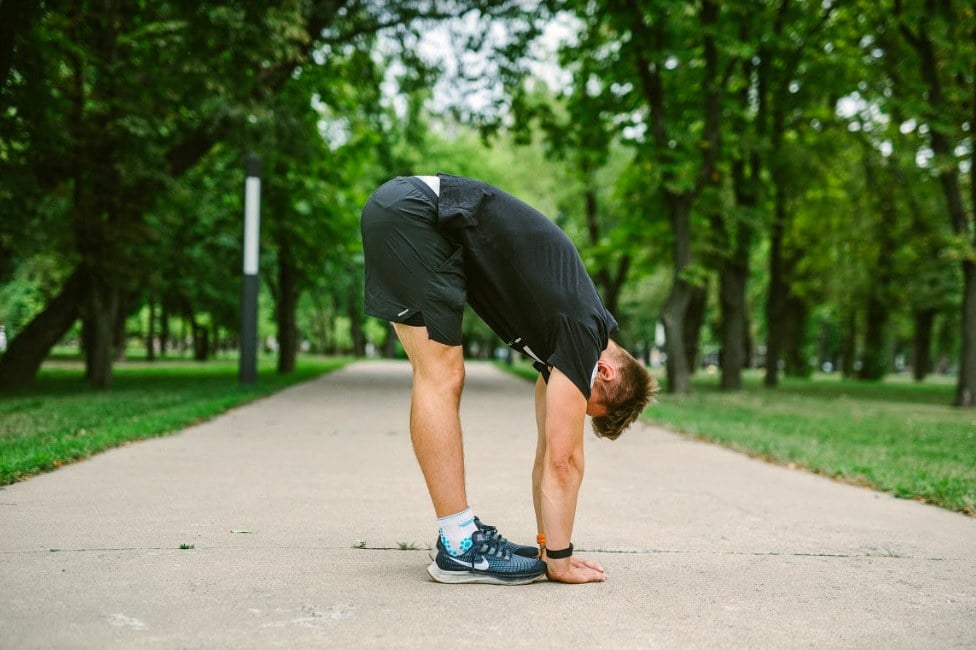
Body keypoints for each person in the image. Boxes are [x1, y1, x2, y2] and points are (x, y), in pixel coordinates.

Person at [360, 173, 658, 585]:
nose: (573, 412)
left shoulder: (565, 335)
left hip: (408, 212)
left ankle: (460, 538)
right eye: (585, 406)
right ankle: (461, 545)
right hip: (418, 213)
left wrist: (547, 546)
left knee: (438, 373)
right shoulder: (581, 334)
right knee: (442, 374)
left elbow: (547, 455)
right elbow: (564, 461)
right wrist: (561, 561)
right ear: (604, 372)